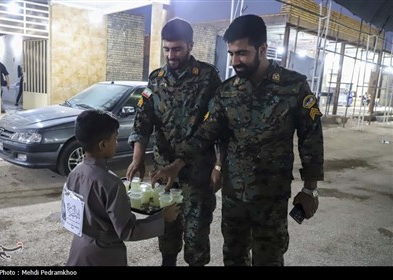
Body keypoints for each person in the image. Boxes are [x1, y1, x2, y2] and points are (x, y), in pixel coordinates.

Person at [151, 14, 324, 266]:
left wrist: (310, 188)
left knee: (268, 259)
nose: (234, 61)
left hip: (271, 197)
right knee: (233, 257)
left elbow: (311, 138)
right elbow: (206, 132)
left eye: (242, 53)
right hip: (234, 196)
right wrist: (176, 165)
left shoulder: (294, 87)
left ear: (262, 49)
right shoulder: (227, 91)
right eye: (231, 53)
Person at [126, 18, 223, 266]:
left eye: (177, 48)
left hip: (197, 174)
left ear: (190, 45)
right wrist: (137, 158)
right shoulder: (155, 79)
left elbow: (215, 125)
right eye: (167, 49)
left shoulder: (207, 76)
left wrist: (218, 166)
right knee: (167, 230)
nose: (171, 55)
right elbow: (143, 119)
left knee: (196, 234)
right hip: (163, 170)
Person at [62, 109, 180, 266]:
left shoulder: (75, 173)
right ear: (103, 145)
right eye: (115, 139)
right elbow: (127, 231)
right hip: (104, 256)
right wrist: (163, 218)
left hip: (79, 249)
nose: (117, 143)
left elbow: (69, 215)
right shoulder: (110, 183)